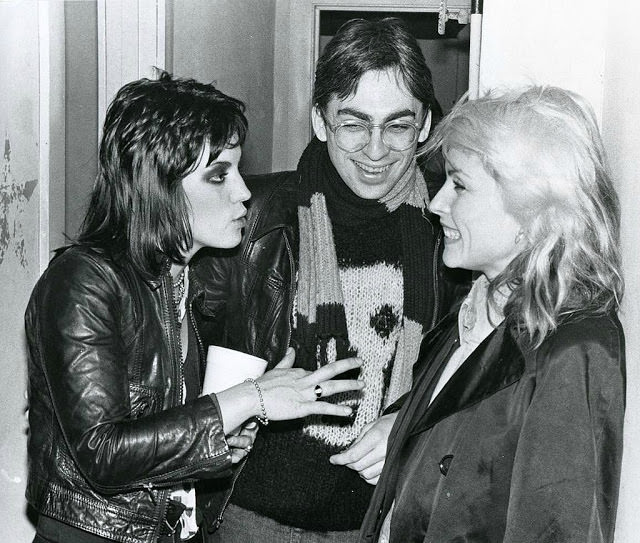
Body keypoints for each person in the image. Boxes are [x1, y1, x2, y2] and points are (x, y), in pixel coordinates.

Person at [24, 72, 364, 543]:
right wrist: (251, 397)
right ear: (158, 185)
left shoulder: (181, 280)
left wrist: (222, 440)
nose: (244, 191)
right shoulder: (83, 280)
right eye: (219, 175)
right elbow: (102, 454)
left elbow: (161, 433)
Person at [190, 17, 465, 542]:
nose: (376, 150)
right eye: (354, 123)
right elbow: (172, 360)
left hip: (377, 520)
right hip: (249, 520)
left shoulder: (448, 229)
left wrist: (404, 422)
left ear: (426, 125)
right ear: (320, 121)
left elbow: (466, 367)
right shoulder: (255, 219)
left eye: (398, 125)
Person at [359, 85, 626, 543]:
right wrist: (405, 430)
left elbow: (554, 529)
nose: (436, 203)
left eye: (459, 185)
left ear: (530, 209)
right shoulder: (477, 301)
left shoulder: (575, 348)